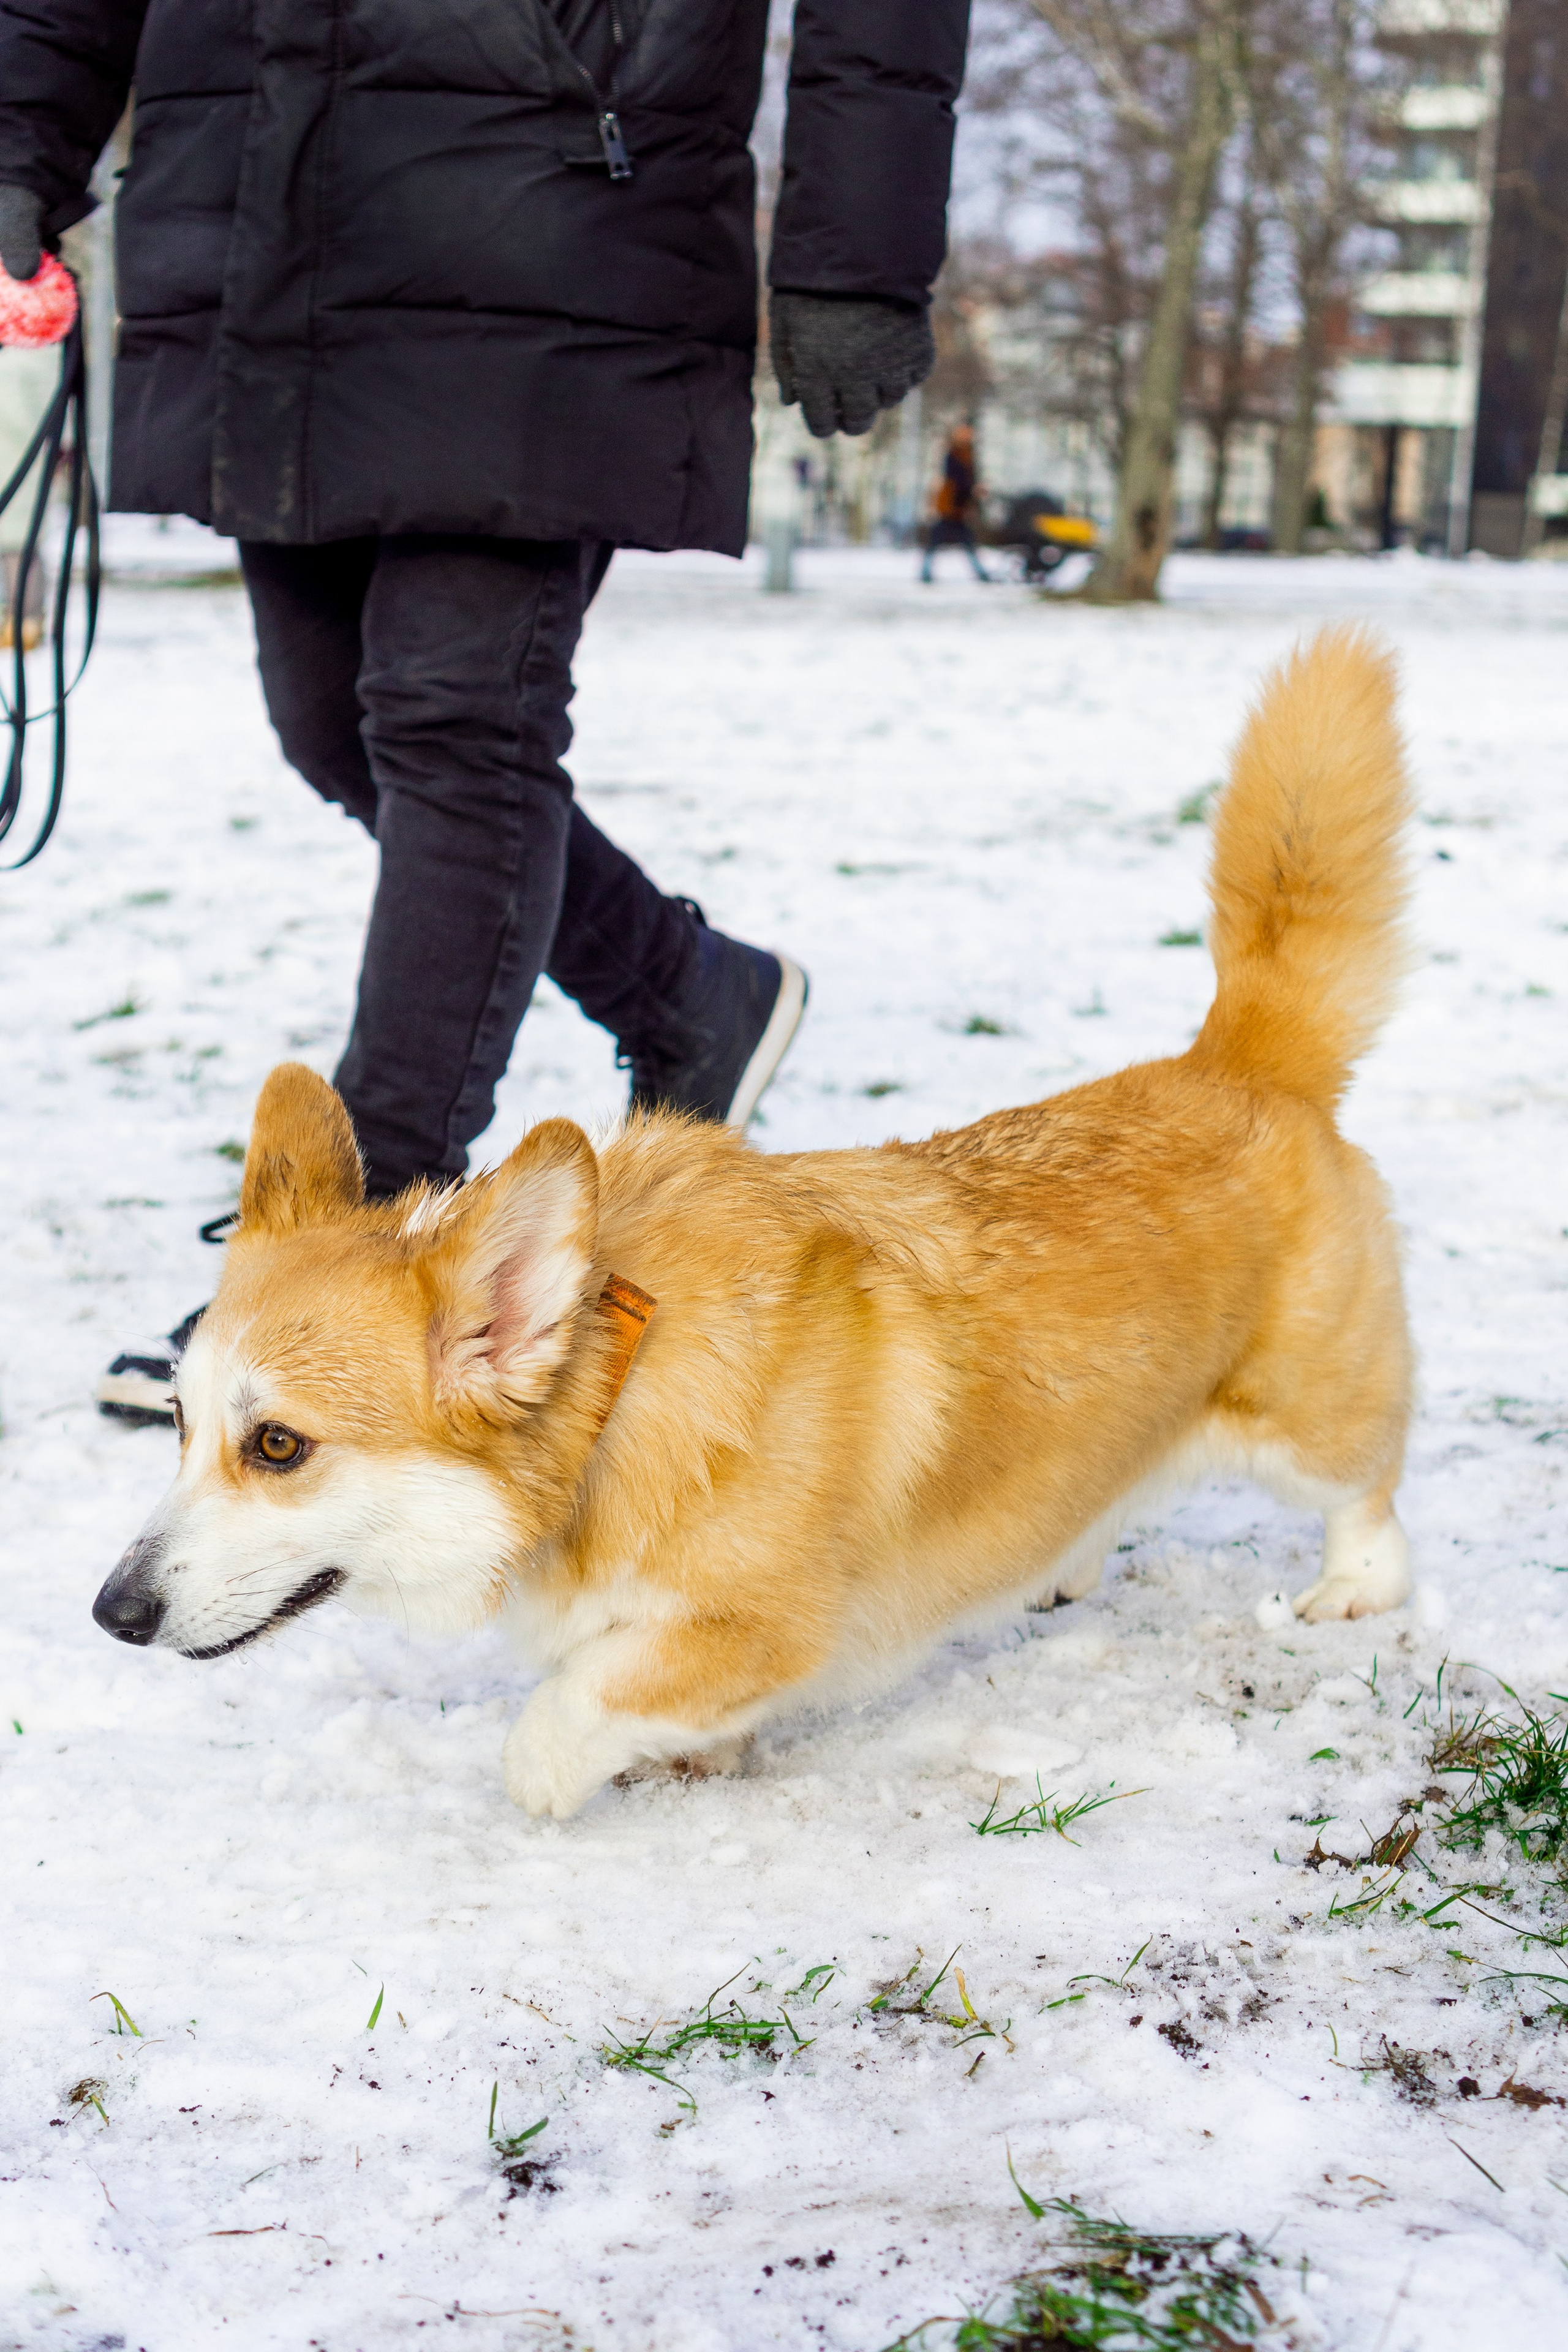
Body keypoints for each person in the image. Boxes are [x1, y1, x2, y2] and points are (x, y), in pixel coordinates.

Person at [0, 0, 972, 1420]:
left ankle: (365, 1235)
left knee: (459, 725)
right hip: (267, 190)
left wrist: (856, 254)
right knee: (332, 721)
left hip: (555, 183)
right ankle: (690, 995)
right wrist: (22, 128)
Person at [921, 423, 991, 583]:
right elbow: (956, 480)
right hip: (951, 505)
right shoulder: (953, 455)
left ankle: (980, 573)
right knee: (943, 539)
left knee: (962, 541)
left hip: (960, 506)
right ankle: (980, 573)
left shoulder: (970, 455)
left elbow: (969, 480)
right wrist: (973, 490)